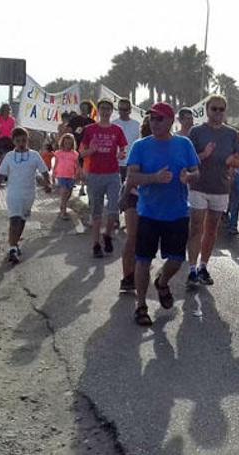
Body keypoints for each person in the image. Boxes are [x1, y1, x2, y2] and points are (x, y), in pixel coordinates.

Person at [125, 102, 200, 326]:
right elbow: (132, 178)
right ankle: (141, 305)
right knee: (143, 261)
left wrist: (189, 176)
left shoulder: (184, 144)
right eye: (151, 118)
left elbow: (196, 171)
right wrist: (154, 178)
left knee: (177, 260)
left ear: (170, 121)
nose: (154, 122)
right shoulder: (140, 146)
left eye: (159, 118)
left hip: (177, 212)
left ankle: (162, 281)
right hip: (148, 212)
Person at [186, 95, 239, 286]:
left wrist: (232, 162)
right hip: (198, 186)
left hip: (220, 188)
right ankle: (192, 269)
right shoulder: (196, 132)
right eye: (214, 109)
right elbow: (189, 160)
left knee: (211, 231)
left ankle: (203, 266)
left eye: (221, 109)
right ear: (207, 110)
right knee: (196, 228)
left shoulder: (233, 134)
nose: (218, 113)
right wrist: (204, 154)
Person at [0, 128, 51, 264]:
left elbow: (44, 171)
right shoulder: (9, 157)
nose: (21, 143)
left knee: (22, 220)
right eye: (18, 141)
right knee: (14, 220)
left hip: (29, 194)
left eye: (24, 140)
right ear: (13, 141)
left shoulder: (34, 155)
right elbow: (1, 174)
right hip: (13, 193)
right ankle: (12, 248)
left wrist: (48, 183)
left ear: (27, 140)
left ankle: (15, 243)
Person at [80, 99, 128, 258]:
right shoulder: (90, 129)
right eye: (103, 108)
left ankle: (107, 235)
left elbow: (123, 148)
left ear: (111, 111)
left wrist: (121, 154)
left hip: (113, 174)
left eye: (108, 109)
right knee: (96, 212)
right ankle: (95, 244)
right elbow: (81, 153)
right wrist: (91, 150)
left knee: (114, 209)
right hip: (94, 175)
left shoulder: (117, 130)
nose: (105, 111)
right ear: (98, 111)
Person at [118, 118, 153, 292]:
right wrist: (124, 197)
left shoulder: (166, 148)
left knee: (143, 239)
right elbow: (131, 177)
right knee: (132, 237)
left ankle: (138, 272)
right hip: (134, 196)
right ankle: (127, 277)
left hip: (152, 199)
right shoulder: (139, 147)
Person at [69, 102, 96, 197]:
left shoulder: (92, 121)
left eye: (85, 108)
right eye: (82, 107)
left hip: (86, 148)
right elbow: (69, 131)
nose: (83, 109)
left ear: (89, 109)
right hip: (75, 146)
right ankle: (71, 184)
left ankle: (82, 187)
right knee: (75, 166)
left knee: (85, 167)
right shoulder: (75, 120)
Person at [52, 133, 80, 220]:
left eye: (69, 143)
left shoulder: (75, 154)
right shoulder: (58, 153)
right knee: (64, 193)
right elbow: (55, 164)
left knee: (69, 193)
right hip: (61, 175)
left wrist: (77, 173)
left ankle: (62, 205)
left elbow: (77, 165)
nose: (67, 145)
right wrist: (53, 174)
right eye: (66, 143)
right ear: (62, 143)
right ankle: (63, 212)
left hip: (71, 176)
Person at [112, 98, 140, 183]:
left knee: (130, 192)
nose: (122, 112)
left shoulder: (137, 125)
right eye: (120, 109)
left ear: (130, 110)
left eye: (125, 110)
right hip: (116, 163)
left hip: (132, 164)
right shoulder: (113, 124)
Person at [0, 104, 16, 185]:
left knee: (7, 157)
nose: (7, 111)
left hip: (9, 140)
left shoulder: (12, 120)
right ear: (2, 110)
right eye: (5, 110)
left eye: (8, 110)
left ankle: (5, 175)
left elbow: (13, 129)